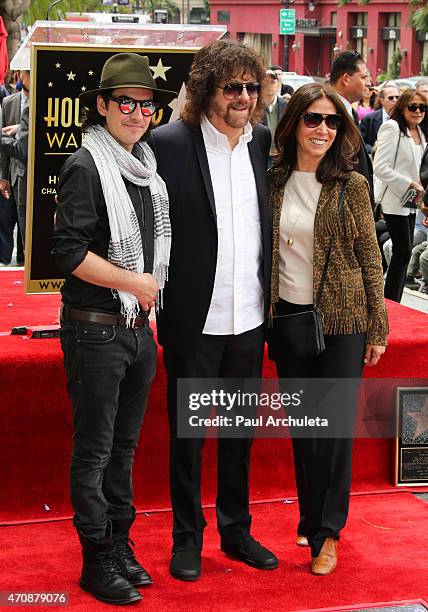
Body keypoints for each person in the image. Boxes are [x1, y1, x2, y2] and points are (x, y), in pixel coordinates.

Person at [149, 39, 278, 581]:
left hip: (248, 317)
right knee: (189, 437)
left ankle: (235, 530)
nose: (244, 97)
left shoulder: (262, 142)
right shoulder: (168, 143)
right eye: (233, 88)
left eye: (251, 87)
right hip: (193, 321)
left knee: (238, 434)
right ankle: (186, 537)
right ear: (207, 91)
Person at [52, 52, 176, 605]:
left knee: (124, 449)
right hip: (96, 329)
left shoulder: (144, 166)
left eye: (145, 104)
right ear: (102, 106)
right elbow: (68, 252)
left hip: (135, 328)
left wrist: (144, 296)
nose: (136, 112)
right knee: (96, 452)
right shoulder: (85, 164)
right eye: (124, 102)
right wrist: (133, 282)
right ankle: (96, 559)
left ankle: (120, 545)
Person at [268, 82, 388, 576]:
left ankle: (328, 532)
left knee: (334, 428)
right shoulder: (272, 181)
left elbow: (370, 259)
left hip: (344, 320)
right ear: (295, 122)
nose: (322, 129)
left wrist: (377, 326)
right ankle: (310, 515)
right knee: (305, 427)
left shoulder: (351, 185)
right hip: (290, 318)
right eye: (313, 119)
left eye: (332, 121)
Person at [373, 88, 427, 302]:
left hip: (412, 201)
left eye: (422, 107)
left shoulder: (421, 132)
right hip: (394, 200)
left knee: (403, 252)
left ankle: (394, 300)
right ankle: (391, 301)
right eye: (412, 107)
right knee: (402, 251)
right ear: (402, 107)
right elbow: (381, 167)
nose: (417, 111)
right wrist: (408, 184)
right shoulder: (392, 128)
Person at [329, 51, 374, 206]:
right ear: (346, 79)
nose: (369, 83)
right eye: (363, 77)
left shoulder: (351, 112)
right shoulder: (327, 113)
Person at [0, 69, 29, 265]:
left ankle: (23, 261)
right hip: (13, 171)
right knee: (5, 220)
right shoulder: (9, 102)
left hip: (33, 173)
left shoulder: (46, 99)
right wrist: (3, 176)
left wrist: (19, 129)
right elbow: (4, 150)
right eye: (25, 72)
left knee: (26, 224)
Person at [360, 82, 401, 155]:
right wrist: (374, 149)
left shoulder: (405, 118)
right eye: (391, 98)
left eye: (397, 97)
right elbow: (361, 142)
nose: (395, 100)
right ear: (382, 100)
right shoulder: (368, 120)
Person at [261, 69, 287, 167]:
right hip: (261, 156)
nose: (269, 85)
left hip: (281, 156)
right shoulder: (254, 107)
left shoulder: (287, 106)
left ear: (279, 84)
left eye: (273, 82)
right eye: (265, 81)